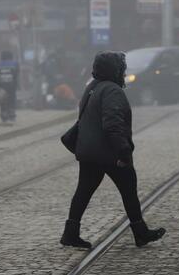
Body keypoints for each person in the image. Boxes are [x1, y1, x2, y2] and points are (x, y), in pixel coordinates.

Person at [60, 51, 166, 249]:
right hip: (108, 152)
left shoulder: (92, 87)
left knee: (83, 191)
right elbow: (113, 124)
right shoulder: (112, 91)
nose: (123, 73)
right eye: (121, 69)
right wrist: (123, 151)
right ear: (115, 70)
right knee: (128, 187)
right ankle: (140, 232)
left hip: (89, 151)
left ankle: (70, 232)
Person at [0, 51, 19, 122]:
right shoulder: (15, 63)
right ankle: (12, 115)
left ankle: (4, 115)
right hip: (12, 85)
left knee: (2, 100)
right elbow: (16, 74)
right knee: (11, 100)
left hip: (1, 85)